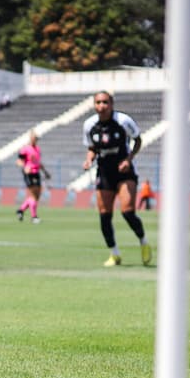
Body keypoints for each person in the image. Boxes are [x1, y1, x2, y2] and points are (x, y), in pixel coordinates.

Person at [82, 91, 152, 267]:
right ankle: (114, 254)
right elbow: (92, 147)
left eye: (105, 102)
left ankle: (143, 241)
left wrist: (129, 159)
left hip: (124, 172)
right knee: (104, 215)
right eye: (98, 102)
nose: (102, 106)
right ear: (94, 105)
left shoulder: (123, 121)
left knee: (127, 212)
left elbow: (137, 140)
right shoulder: (89, 125)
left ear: (111, 104)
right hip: (104, 172)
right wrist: (89, 159)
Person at [15, 129, 51, 224]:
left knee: (36, 196)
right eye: (35, 138)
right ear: (31, 138)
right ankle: (34, 217)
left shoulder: (37, 149)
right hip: (29, 173)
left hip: (36, 172)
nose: (36, 140)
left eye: (37, 138)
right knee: (33, 195)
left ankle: (21, 210)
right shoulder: (25, 149)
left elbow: (38, 163)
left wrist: (45, 172)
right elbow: (18, 161)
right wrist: (24, 167)